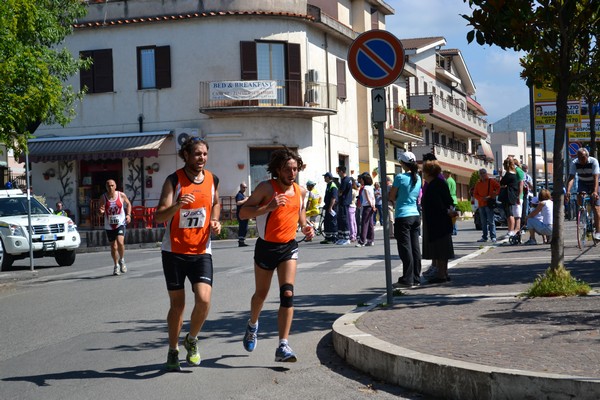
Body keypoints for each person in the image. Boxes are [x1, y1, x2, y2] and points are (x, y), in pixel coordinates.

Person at [239, 148, 314, 363]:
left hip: (288, 247)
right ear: (278, 170)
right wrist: (267, 207)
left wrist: (307, 228)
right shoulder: (266, 188)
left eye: (295, 169)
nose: (292, 173)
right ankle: (253, 325)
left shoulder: (300, 192)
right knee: (261, 294)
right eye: (288, 169)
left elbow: (301, 218)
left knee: (288, 294)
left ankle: (283, 345)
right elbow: (243, 213)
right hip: (266, 247)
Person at [155, 137, 222, 371]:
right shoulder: (174, 180)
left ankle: (191, 339)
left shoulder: (213, 179)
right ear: (186, 155)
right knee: (178, 306)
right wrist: (177, 205)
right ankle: (173, 350)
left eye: (204, 154)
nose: (201, 158)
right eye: (196, 154)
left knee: (204, 300)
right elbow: (159, 216)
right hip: (174, 251)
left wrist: (215, 220)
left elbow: (215, 203)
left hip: (202, 250)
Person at [389, 151, 422, 288]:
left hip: (403, 215)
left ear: (402, 163)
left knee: (405, 247)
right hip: (415, 214)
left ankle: (407, 278)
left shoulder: (400, 177)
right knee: (415, 247)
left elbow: (391, 196)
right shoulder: (418, 178)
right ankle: (416, 277)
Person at [421, 159, 455, 283]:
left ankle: (441, 274)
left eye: (424, 171)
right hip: (443, 221)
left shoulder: (434, 186)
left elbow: (438, 204)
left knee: (440, 249)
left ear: (428, 173)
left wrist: (446, 211)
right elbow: (449, 201)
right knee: (443, 249)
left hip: (437, 222)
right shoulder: (440, 183)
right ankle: (444, 273)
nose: (422, 173)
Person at [97, 179, 132, 276]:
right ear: (106, 187)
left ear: (115, 186)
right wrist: (100, 212)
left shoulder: (121, 195)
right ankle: (116, 265)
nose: (110, 187)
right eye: (108, 186)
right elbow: (99, 212)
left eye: (112, 185)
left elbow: (128, 203)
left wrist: (128, 215)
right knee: (113, 246)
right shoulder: (103, 197)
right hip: (109, 225)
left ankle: (122, 260)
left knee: (120, 242)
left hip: (120, 223)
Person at [566, 148, 600, 240]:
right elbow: (571, 177)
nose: (580, 160)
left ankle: (598, 232)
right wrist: (568, 191)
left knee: (596, 209)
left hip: (594, 183)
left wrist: (595, 192)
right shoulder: (575, 163)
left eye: (582, 157)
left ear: (587, 156)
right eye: (579, 157)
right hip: (583, 182)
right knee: (579, 196)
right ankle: (583, 212)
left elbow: (596, 178)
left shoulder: (593, 162)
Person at [473, 168, 500, 243]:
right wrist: (481, 199)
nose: (482, 175)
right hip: (481, 204)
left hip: (489, 204)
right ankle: (484, 237)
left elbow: (498, 187)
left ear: (486, 173)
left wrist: (493, 195)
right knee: (483, 222)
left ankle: (493, 237)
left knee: (491, 221)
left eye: (483, 173)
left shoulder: (491, 181)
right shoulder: (478, 183)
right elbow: (475, 194)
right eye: (481, 173)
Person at [500, 158, 521, 238]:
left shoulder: (509, 174)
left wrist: (501, 175)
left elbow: (501, 183)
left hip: (508, 195)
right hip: (512, 195)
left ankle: (511, 230)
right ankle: (510, 230)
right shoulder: (514, 173)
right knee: (509, 213)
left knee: (509, 214)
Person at [356, 172, 376, 247]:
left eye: (361, 179)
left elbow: (367, 198)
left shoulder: (365, 188)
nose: (360, 181)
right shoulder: (371, 187)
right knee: (370, 224)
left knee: (364, 224)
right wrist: (373, 205)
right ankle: (371, 240)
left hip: (367, 206)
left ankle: (362, 241)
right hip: (371, 206)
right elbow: (373, 197)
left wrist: (371, 205)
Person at [335, 166, 352, 245]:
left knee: (344, 219)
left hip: (344, 202)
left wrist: (337, 195)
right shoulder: (345, 180)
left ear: (342, 171)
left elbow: (340, 192)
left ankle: (346, 238)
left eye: (338, 172)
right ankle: (341, 237)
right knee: (341, 219)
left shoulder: (346, 180)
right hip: (343, 202)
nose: (338, 173)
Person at [321, 172, 338, 244]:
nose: (324, 178)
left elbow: (333, 197)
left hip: (332, 207)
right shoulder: (328, 185)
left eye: (325, 177)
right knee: (327, 221)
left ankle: (334, 238)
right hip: (328, 206)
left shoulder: (333, 185)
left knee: (332, 222)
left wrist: (330, 207)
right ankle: (328, 238)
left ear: (328, 177)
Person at [442, 169, 458, 235]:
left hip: (450, 199)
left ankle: (453, 230)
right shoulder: (452, 180)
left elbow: (447, 191)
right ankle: (454, 230)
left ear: (448, 173)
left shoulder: (448, 181)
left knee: (451, 216)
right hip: (454, 199)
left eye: (444, 173)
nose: (443, 174)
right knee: (453, 216)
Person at [236, 183, 250, 247]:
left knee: (245, 227)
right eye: (244, 187)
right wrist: (245, 200)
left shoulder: (242, 195)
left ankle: (242, 241)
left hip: (245, 213)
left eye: (245, 187)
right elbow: (238, 203)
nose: (245, 189)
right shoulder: (239, 195)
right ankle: (241, 242)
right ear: (241, 187)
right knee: (242, 227)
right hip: (241, 214)